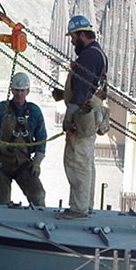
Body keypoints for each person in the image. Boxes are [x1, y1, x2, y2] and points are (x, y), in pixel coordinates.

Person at [55, 15, 108, 220]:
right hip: (91, 112)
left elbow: (81, 93)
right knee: (86, 161)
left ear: (83, 34)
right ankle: (86, 206)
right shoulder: (98, 54)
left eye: (74, 36)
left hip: (82, 114)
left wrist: (68, 119)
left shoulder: (88, 57)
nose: (72, 40)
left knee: (77, 162)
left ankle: (78, 209)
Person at [0, 72, 47, 206]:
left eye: (22, 91)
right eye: (16, 90)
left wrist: (37, 162)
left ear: (28, 91)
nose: (19, 94)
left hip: (23, 163)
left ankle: (38, 220)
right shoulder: (1, 109)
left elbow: (42, 138)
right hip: (1, 163)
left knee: (38, 195)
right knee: (2, 202)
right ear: (12, 90)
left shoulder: (34, 112)